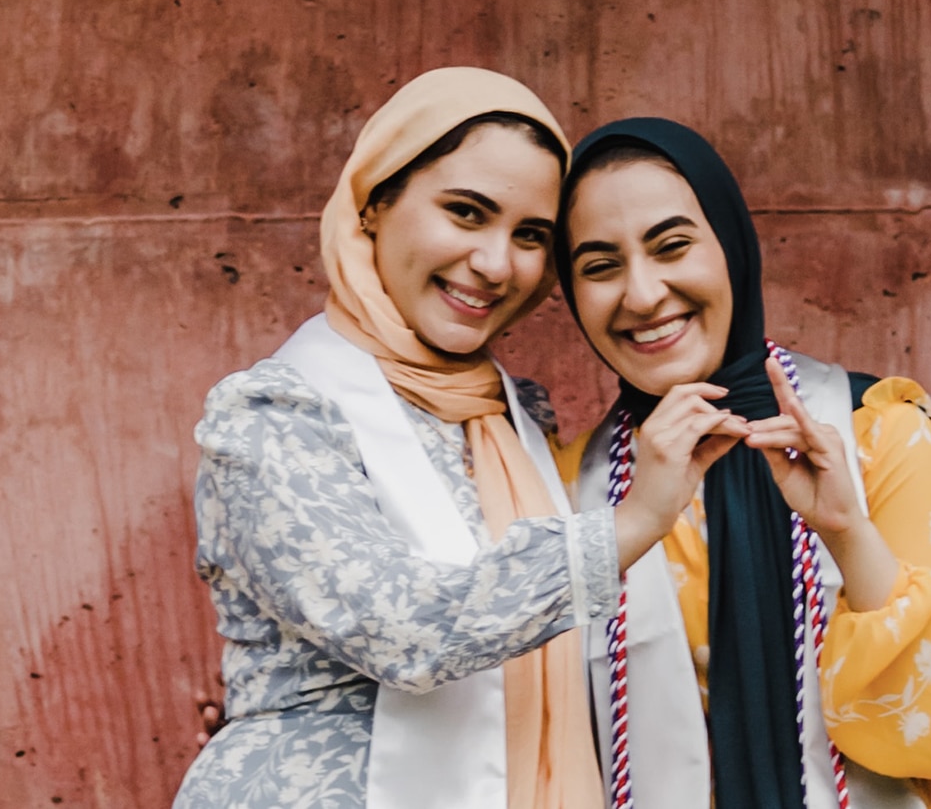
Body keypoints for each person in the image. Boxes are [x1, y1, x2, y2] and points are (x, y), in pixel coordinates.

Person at [173, 72, 745, 809]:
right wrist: (632, 523)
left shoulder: (508, 421)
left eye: (531, 236)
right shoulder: (276, 416)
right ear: (375, 202)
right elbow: (403, 631)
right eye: (466, 213)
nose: (496, 263)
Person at [552, 118, 931, 809]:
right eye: (600, 265)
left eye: (672, 246)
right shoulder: (568, 489)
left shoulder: (875, 436)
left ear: (733, 248)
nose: (643, 294)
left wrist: (850, 535)